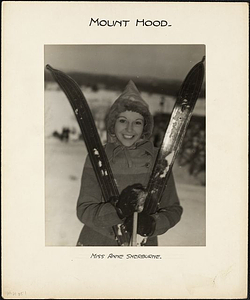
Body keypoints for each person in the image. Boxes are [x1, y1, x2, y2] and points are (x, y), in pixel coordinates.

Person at [76, 80, 183, 246]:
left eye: (137, 122)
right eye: (123, 120)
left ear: (145, 127)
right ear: (113, 123)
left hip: (142, 247)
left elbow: (173, 210)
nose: (129, 129)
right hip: (98, 244)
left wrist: (152, 224)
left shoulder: (158, 160)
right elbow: (84, 210)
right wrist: (117, 210)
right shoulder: (97, 157)